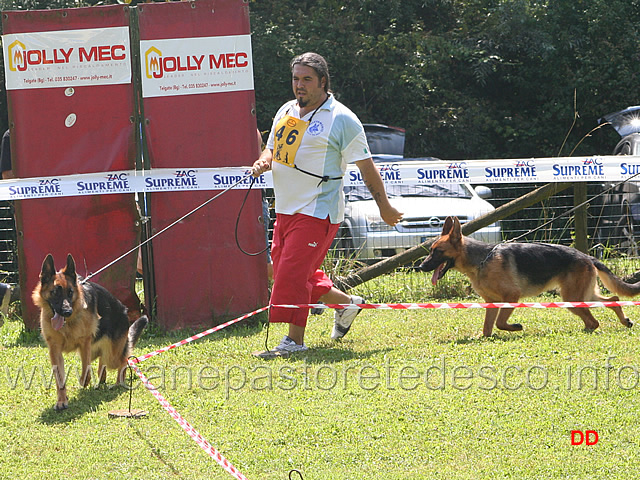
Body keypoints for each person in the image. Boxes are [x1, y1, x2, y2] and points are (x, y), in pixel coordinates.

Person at [251, 52, 403, 356]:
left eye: (307, 79)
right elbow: (272, 150)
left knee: (292, 275)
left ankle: (294, 341)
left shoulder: (342, 118)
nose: (299, 85)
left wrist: (384, 206)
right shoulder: (286, 110)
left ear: (323, 81)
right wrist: (263, 162)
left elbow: (367, 167)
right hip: (285, 209)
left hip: (318, 212)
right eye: (296, 79)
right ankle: (347, 305)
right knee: (289, 271)